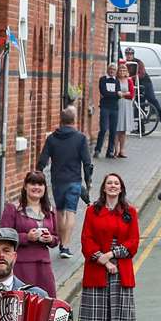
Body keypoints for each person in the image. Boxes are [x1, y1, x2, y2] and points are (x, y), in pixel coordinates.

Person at [79, 173, 140, 321]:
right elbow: (86, 239)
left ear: (121, 188)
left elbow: (133, 241)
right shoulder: (92, 211)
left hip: (121, 268)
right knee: (99, 317)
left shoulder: (129, 211)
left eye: (116, 183)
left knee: (115, 317)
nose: (113, 186)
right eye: (109, 183)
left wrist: (113, 254)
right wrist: (103, 260)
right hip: (97, 267)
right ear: (103, 188)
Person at [36, 106, 92, 259]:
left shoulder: (52, 138)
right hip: (74, 180)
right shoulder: (80, 138)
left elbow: (43, 159)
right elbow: (87, 162)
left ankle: (61, 243)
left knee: (60, 212)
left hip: (57, 180)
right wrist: (88, 182)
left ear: (61, 120)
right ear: (74, 120)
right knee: (71, 212)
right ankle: (66, 246)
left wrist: (38, 175)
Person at [0, 170, 58, 296]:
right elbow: (3, 236)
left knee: (46, 303)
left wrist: (50, 239)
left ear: (45, 188)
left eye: (40, 184)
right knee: (22, 303)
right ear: (25, 186)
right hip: (22, 264)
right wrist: (27, 237)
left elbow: (56, 238)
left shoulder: (50, 210)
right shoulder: (13, 208)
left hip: (43, 264)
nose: (36, 187)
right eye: (33, 184)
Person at [94, 64, 120, 158]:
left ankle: (110, 152)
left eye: (114, 69)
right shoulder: (103, 79)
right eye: (111, 69)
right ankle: (97, 149)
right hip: (105, 107)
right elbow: (103, 92)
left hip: (114, 108)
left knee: (113, 131)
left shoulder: (117, 81)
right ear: (108, 69)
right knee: (103, 129)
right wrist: (115, 94)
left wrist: (112, 94)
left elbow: (118, 95)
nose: (112, 71)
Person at [113, 63, 135, 158]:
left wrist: (123, 94)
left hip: (126, 106)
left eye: (124, 70)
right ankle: (115, 150)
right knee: (116, 129)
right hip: (117, 105)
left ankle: (122, 150)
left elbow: (131, 95)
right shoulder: (116, 80)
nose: (122, 72)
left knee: (123, 130)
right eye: (120, 70)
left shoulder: (129, 81)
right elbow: (114, 93)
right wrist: (125, 93)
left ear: (127, 72)